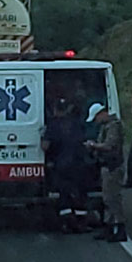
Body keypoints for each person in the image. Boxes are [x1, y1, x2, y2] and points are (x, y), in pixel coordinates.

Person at [41, 98, 91, 233]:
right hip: (79, 164)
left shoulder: (53, 125)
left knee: (64, 194)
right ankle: (81, 223)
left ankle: (66, 223)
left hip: (62, 165)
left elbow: (45, 146)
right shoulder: (76, 124)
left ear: (56, 110)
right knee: (79, 194)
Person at [84, 103, 127, 242]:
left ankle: (120, 228)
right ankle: (108, 228)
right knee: (107, 198)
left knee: (113, 199)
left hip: (113, 166)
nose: (95, 121)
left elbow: (109, 145)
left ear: (101, 114)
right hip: (107, 166)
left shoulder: (113, 126)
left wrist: (93, 145)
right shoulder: (106, 126)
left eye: (96, 118)